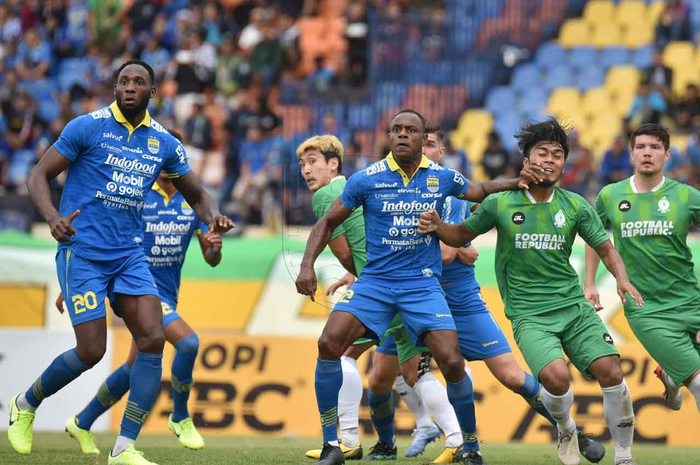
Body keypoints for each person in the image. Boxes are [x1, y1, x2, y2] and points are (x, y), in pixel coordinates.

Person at [11, 60, 234, 465]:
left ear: (152, 93)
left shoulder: (164, 143)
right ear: (115, 88)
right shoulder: (87, 127)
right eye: (124, 81)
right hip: (82, 252)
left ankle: (124, 447)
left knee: (152, 341)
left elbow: (198, 193)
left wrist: (212, 217)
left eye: (139, 82)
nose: (130, 87)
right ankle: (26, 404)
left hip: (129, 256)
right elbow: (38, 175)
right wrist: (52, 217)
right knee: (92, 351)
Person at [295, 109, 542, 465]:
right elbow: (326, 224)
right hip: (376, 283)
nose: (402, 135)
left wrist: (513, 181)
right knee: (329, 344)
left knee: (452, 361)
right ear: (389, 135)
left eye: (411, 130)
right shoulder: (366, 179)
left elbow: (479, 190)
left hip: (421, 286)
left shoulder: (440, 177)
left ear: (422, 137)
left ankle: (469, 446)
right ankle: (333, 444)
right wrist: (307, 267)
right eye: (396, 129)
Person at [417, 118, 643, 465]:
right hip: (529, 314)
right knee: (556, 378)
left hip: (573, 308)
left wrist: (622, 279)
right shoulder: (501, 203)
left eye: (557, 154)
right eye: (542, 152)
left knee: (611, 370)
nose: (550, 160)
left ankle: (625, 456)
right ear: (526, 161)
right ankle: (566, 426)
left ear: (564, 163)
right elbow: (461, 236)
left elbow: (606, 247)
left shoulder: (576, 205)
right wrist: (438, 227)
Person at [296, 135, 460, 462]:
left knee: (341, 353)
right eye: (302, 164)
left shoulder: (328, 194)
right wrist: (359, 273)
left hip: (383, 291)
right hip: (412, 283)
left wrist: (361, 279)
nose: (306, 170)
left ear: (334, 164)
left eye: (313, 162)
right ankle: (451, 437)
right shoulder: (368, 185)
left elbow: (343, 251)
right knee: (404, 372)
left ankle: (347, 440)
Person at [60, 157, 223, 454]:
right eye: (160, 158)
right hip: (136, 289)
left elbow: (211, 259)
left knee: (132, 367)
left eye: (171, 159)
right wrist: (74, 275)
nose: (164, 164)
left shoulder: (193, 200)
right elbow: (100, 230)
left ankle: (82, 422)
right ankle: (181, 416)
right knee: (188, 343)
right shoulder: (137, 192)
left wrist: (214, 247)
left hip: (168, 293)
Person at [584, 123, 700, 414]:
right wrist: (589, 283)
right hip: (645, 308)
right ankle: (678, 374)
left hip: (690, 301)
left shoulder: (687, 196)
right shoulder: (610, 196)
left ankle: (672, 375)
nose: (647, 153)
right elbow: (593, 238)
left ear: (667, 154)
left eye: (655, 147)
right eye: (640, 147)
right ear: (631, 154)